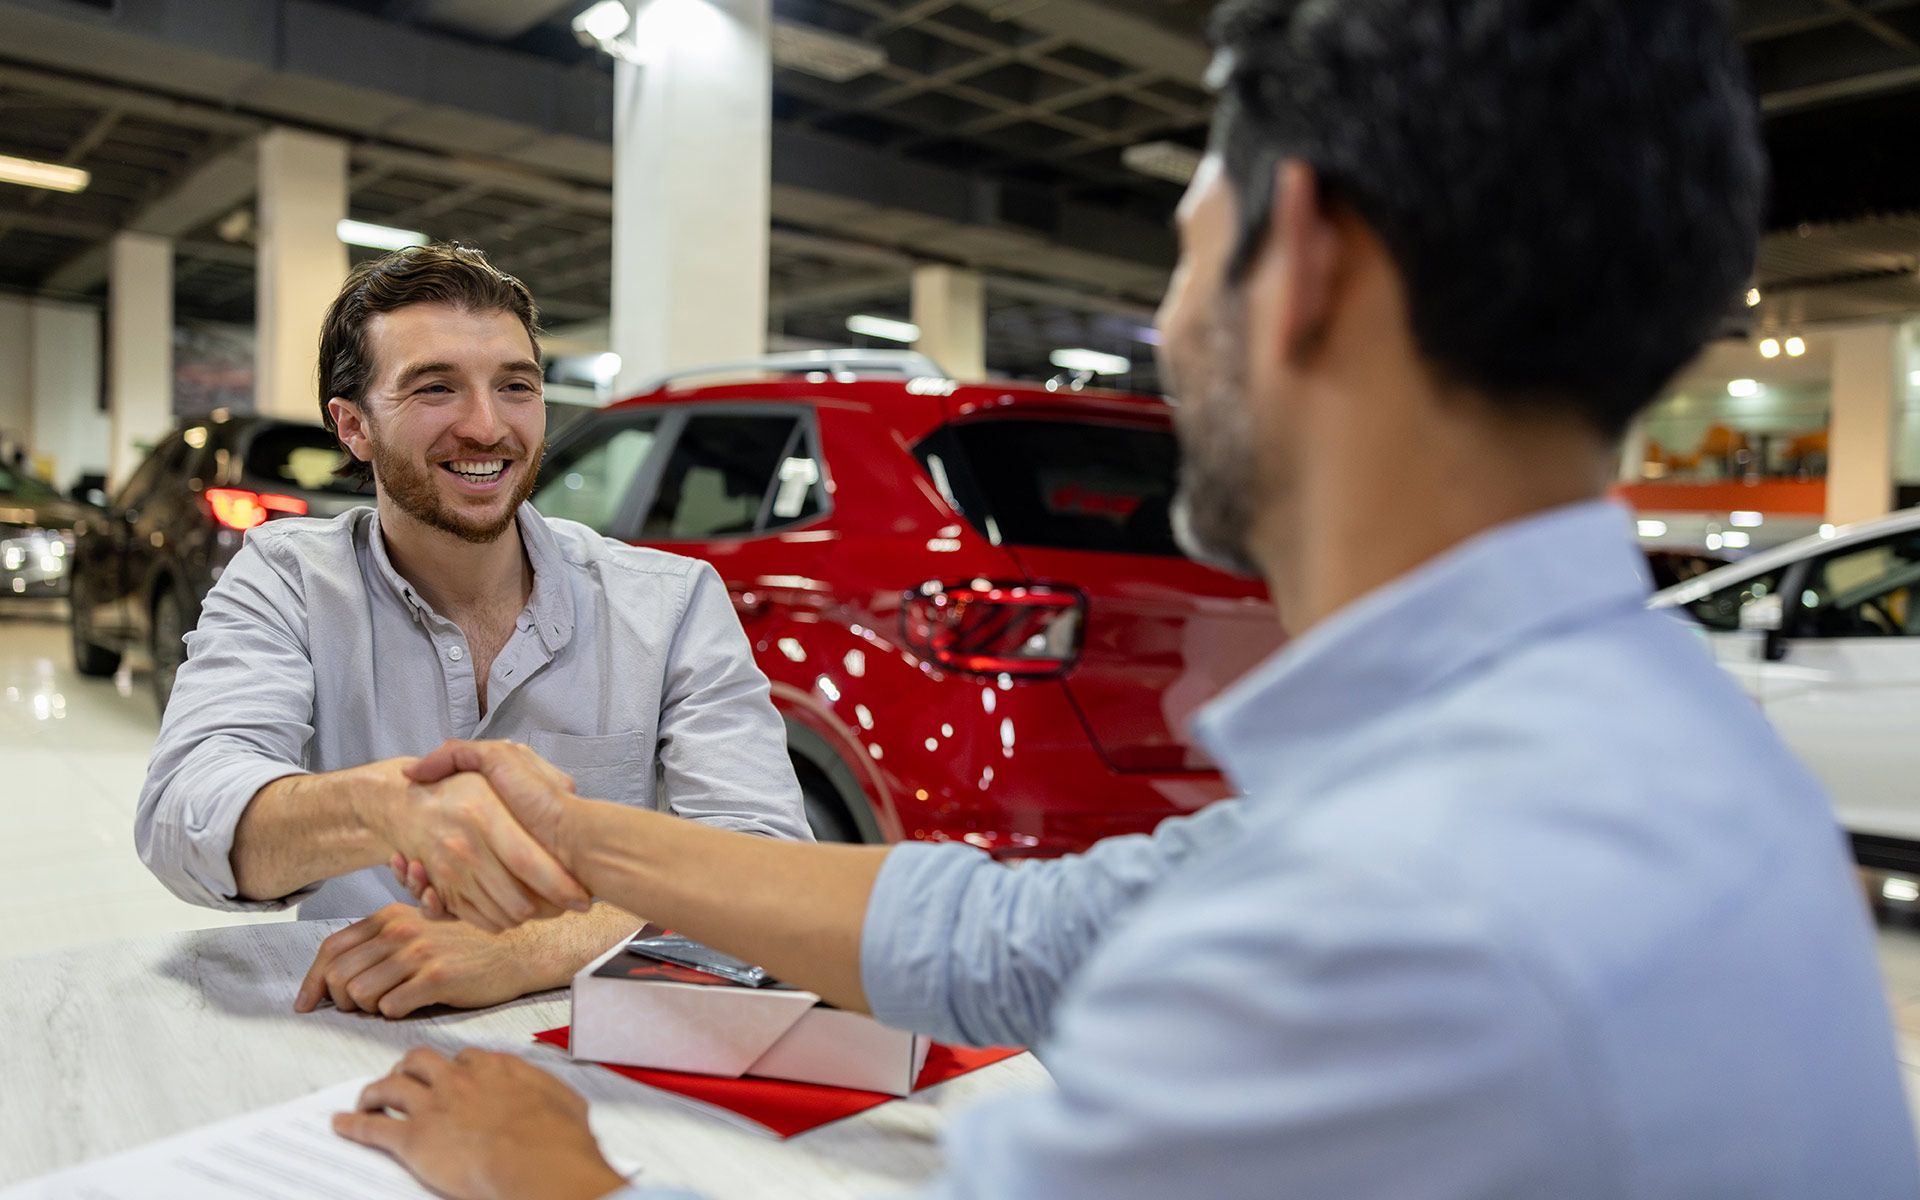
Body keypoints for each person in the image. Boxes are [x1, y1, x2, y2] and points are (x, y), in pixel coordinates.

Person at [337, 1, 1919, 1196]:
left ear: (1304, 262)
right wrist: (579, 834)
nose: (1169, 326)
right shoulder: (1660, 751)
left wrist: (559, 1175)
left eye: (1187, 251)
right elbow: (1013, 934)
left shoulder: (1389, 925)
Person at [135, 244, 812, 1021]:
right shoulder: (290, 581)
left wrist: (528, 949)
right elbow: (184, 817)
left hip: (597, 1032)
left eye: (515, 386)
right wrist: (391, 809)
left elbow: (768, 871)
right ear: (353, 426)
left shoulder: (669, 604)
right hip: (359, 1027)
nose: (487, 427)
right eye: (435, 388)